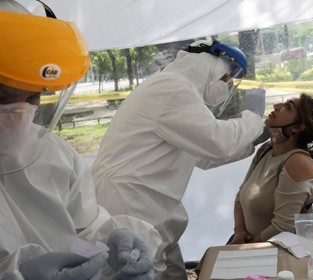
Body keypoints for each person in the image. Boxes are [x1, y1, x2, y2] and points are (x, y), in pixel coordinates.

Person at [0, 1, 156, 279]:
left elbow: (82, 229)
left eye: (33, 96)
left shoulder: (54, 154)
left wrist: (110, 240)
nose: (18, 115)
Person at [92, 40, 267, 279]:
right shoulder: (173, 88)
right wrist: (254, 119)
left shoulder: (176, 90)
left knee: (170, 272)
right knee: (142, 272)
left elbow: (201, 156)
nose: (226, 87)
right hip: (130, 207)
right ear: (207, 64)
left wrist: (253, 140)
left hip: (148, 207)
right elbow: (217, 142)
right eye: (226, 78)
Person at [229, 94, 313, 244]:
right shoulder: (266, 150)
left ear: (298, 127)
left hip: (274, 253)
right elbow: (239, 197)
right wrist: (239, 232)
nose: (276, 106)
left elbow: (283, 227)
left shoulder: (298, 163)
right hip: (249, 244)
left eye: (287, 107)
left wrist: (246, 246)